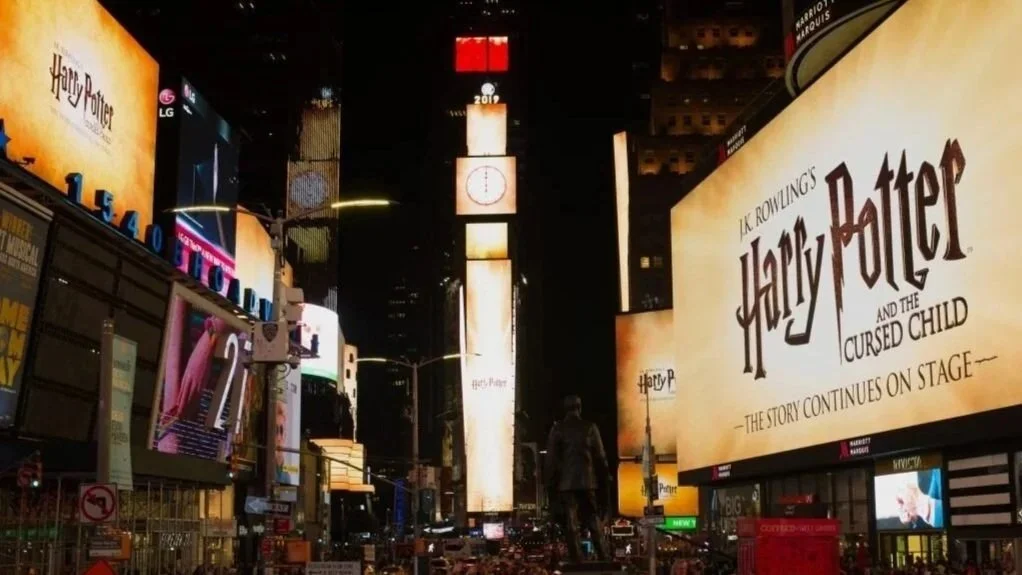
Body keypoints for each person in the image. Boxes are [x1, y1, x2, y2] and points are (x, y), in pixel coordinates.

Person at [544, 395, 610, 564]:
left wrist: (550, 484)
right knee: (593, 518)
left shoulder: (558, 429)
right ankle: (603, 556)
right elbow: (601, 457)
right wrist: (605, 478)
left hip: (566, 484)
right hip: (587, 481)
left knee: (571, 522)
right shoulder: (590, 427)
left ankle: (576, 558)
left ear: (565, 409)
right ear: (580, 408)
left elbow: (550, 461)